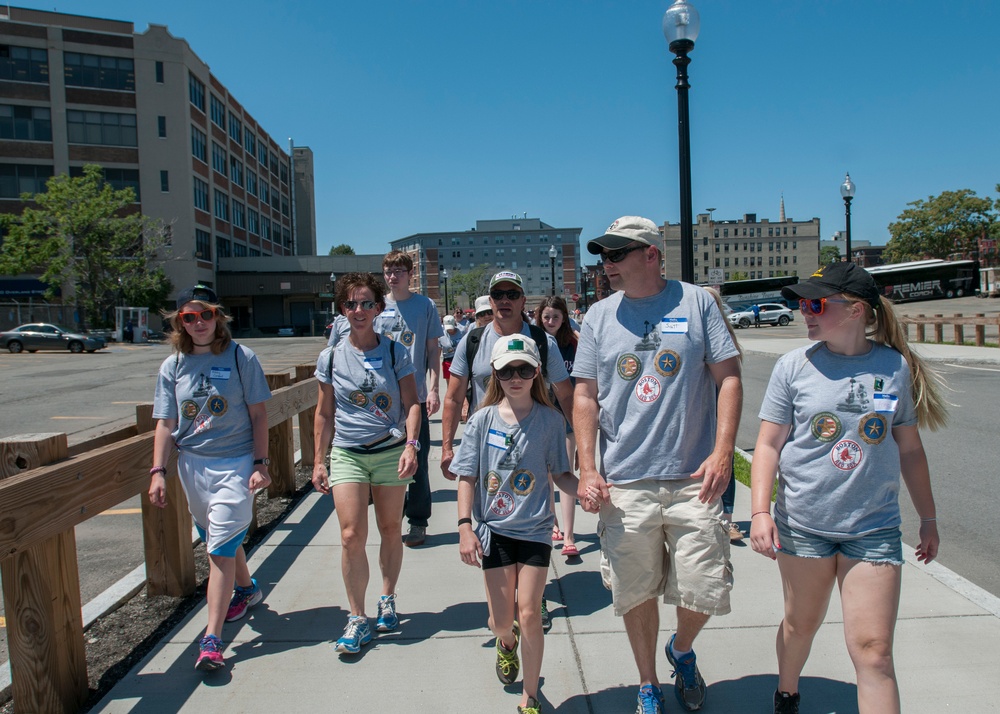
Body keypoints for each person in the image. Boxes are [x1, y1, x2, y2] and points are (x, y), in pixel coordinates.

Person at [749, 262, 946, 714]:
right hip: (804, 526)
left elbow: (911, 450)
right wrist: (761, 511)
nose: (805, 312)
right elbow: (768, 444)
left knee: (874, 651)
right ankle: (787, 691)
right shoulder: (793, 367)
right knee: (801, 626)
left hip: (873, 528)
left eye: (816, 303)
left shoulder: (893, 367)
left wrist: (929, 518)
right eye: (801, 303)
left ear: (856, 310)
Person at [574, 216, 742, 714]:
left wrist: (723, 450)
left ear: (650, 254)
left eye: (616, 255)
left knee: (704, 588)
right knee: (634, 592)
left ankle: (682, 649)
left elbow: (728, 377)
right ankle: (647, 681)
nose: (606, 266)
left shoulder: (697, 303)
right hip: (626, 481)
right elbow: (585, 395)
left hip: (695, 478)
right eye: (603, 256)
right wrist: (588, 468)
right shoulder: (599, 317)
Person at [452, 334, 578, 714]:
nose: (516, 377)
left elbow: (562, 475)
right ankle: (506, 644)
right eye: (507, 370)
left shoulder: (552, 421)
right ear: (495, 374)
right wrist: (464, 527)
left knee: (530, 613)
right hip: (495, 531)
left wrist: (588, 487)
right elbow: (466, 478)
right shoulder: (481, 421)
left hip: (537, 531)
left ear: (538, 371)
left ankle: (531, 696)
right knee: (500, 621)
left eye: (524, 368)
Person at [149, 285, 272, 672]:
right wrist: (158, 471)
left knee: (216, 551)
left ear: (218, 316)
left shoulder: (240, 357)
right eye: (189, 317)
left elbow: (259, 416)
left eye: (205, 315)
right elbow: (166, 423)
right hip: (192, 467)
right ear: (179, 322)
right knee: (218, 536)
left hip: (235, 465)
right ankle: (248, 590)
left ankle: (211, 640)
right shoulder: (173, 366)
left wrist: (260, 463)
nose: (199, 323)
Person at [312, 271, 422, 655]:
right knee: (350, 535)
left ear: (378, 307)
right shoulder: (330, 357)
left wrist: (411, 445)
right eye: (350, 304)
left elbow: (412, 404)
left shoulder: (395, 351)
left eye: (366, 303)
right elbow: (324, 414)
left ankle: (387, 598)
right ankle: (357, 618)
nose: (358, 310)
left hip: (390, 451)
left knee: (391, 528)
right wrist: (318, 461)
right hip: (348, 453)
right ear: (341, 310)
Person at [328, 251, 442, 548]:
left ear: (410, 273)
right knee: (385, 467)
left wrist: (433, 389)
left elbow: (433, 350)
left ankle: (417, 521)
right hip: (376, 405)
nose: (394, 276)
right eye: (389, 270)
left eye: (400, 270)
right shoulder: (372, 306)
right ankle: (387, 511)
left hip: (412, 397)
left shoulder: (424, 306)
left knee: (417, 463)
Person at [442, 271, 575, 481]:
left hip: (534, 445)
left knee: (540, 509)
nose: (505, 300)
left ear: (522, 301)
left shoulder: (543, 342)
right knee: (485, 509)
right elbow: (453, 398)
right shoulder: (471, 342)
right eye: (498, 294)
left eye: (512, 294)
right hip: (487, 446)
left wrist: (581, 446)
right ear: (491, 301)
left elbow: (566, 395)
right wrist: (447, 448)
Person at [534, 295, 580, 559]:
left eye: (556, 317)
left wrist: (576, 333)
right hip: (543, 412)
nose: (550, 321)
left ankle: (570, 535)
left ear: (564, 318)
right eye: (546, 316)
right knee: (548, 474)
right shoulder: (538, 343)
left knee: (565, 472)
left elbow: (593, 361)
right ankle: (553, 524)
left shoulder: (572, 343)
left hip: (568, 414)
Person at [704, 287, 746, 542]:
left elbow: (732, 378)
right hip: (697, 409)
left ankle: (727, 519)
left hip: (719, 405)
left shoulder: (724, 335)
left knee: (723, 457)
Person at [440, 315, 463, 382]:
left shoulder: (461, 332)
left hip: (459, 360)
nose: (450, 330)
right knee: (450, 384)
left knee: (460, 383)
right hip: (448, 361)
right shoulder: (441, 336)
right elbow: (437, 352)